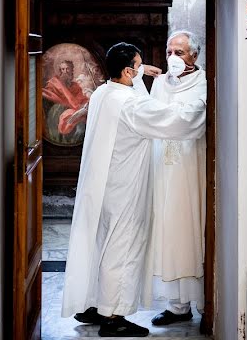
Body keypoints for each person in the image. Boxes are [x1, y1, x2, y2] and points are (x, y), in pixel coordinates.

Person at [62, 43, 207, 338]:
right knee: (122, 248)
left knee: (99, 245)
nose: (142, 69)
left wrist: (141, 74)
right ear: (128, 70)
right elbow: (175, 121)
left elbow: (128, 90)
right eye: (138, 65)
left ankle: (92, 304)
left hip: (99, 186)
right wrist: (205, 105)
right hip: (124, 188)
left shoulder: (104, 92)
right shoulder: (131, 104)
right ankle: (113, 316)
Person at [146, 31, 208, 326]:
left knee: (191, 230)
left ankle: (205, 301)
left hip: (189, 168)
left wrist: (167, 118)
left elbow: (191, 120)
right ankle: (176, 306)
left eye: (180, 52)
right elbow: (146, 115)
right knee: (168, 232)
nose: (173, 58)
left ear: (194, 55)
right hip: (163, 167)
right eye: (169, 51)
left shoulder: (205, 83)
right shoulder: (159, 84)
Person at [42, 60, 90, 136]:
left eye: (67, 69)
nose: (65, 71)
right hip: (58, 111)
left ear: (72, 70)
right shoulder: (54, 83)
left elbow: (82, 100)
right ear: (60, 71)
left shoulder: (75, 85)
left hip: (75, 110)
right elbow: (49, 95)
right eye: (62, 69)